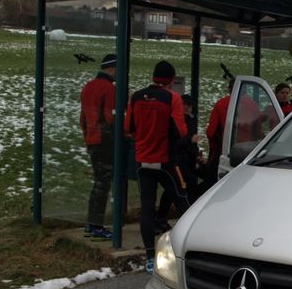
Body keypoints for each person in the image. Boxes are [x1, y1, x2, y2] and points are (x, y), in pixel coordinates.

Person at [124, 60, 190, 274]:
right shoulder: (173, 98)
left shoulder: (136, 97)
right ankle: (186, 253)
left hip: (143, 160)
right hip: (166, 160)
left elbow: (128, 128)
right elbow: (180, 130)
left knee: (147, 208)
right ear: (171, 79)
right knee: (183, 202)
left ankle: (150, 258)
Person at [79, 53, 117, 241]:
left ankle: (91, 223)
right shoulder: (109, 88)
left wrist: (87, 137)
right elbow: (110, 116)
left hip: (92, 139)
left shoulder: (88, 86)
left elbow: (82, 117)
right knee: (103, 182)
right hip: (105, 140)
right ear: (111, 69)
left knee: (98, 182)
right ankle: (97, 226)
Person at [156, 93, 204, 229]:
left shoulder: (191, 120)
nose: (187, 107)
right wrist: (190, 141)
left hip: (189, 160)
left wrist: (197, 156)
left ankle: (165, 217)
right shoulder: (175, 121)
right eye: (184, 104)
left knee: (182, 187)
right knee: (179, 188)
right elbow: (176, 143)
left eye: (189, 105)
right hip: (177, 161)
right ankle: (179, 217)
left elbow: (193, 144)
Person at [203, 78, 234, 189]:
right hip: (246, 153)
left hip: (222, 152)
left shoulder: (221, 104)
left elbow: (211, 132)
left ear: (229, 89)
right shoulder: (251, 104)